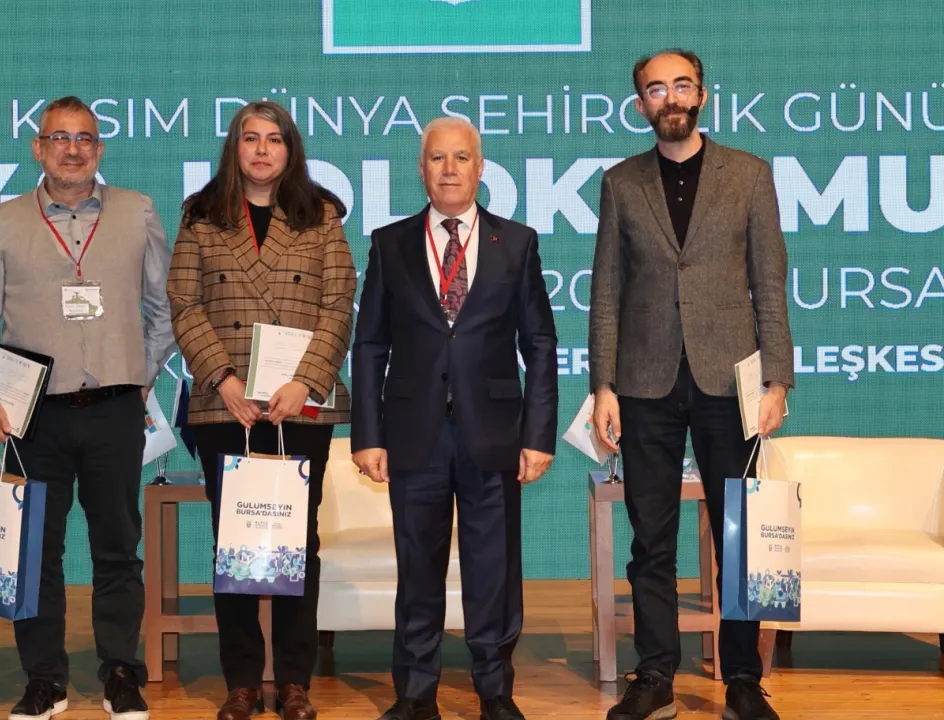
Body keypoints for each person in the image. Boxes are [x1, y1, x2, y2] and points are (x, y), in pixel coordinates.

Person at [588, 49, 794, 720]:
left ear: (702, 95)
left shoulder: (750, 175)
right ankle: (655, 675)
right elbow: (606, 293)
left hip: (730, 382)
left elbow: (769, 284)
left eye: (681, 85)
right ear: (641, 104)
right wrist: (603, 385)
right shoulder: (621, 182)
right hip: (643, 383)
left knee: (741, 535)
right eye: (656, 89)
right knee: (651, 540)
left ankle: (742, 679)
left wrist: (777, 380)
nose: (670, 97)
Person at [0, 96, 174, 720]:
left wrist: (140, 374)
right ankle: (44, 680)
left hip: (115, 410)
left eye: (84, 139)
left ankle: (121, 674)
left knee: (118, 549)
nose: (72, 150)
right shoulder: (3, 219)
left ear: (99, 149)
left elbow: (164, 309)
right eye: (59, 138)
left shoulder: (137, 211)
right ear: (38, 148)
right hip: (33, 415)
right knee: (36, 553)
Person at [350, 117, 559, 720]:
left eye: (461, 157)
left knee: (493, 569)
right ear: (421, 170)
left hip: (493, 434)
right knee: (417, 568)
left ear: (480, 167)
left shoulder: (516, 242)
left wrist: (538, 435)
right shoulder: (389, 243)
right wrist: (368, 435)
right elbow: (371, 345)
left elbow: (539, 344)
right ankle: (416, 694)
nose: (449, 169)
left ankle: (494, 691)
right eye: (437, 158)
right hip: (412, 434)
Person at [166, 101, 357, 720]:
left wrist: (305, 382)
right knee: (235, 542)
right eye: (250, 138)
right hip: (227, 405)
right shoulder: (200, 215)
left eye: (274, 139)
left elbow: (339, 305)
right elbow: (183, 302)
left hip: (298, 405)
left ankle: (296, 681)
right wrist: (223, 379)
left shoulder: (321, 215)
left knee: (300, 541)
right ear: (235, 147)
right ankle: (243, 682)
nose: (262, 150)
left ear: (290, 150)